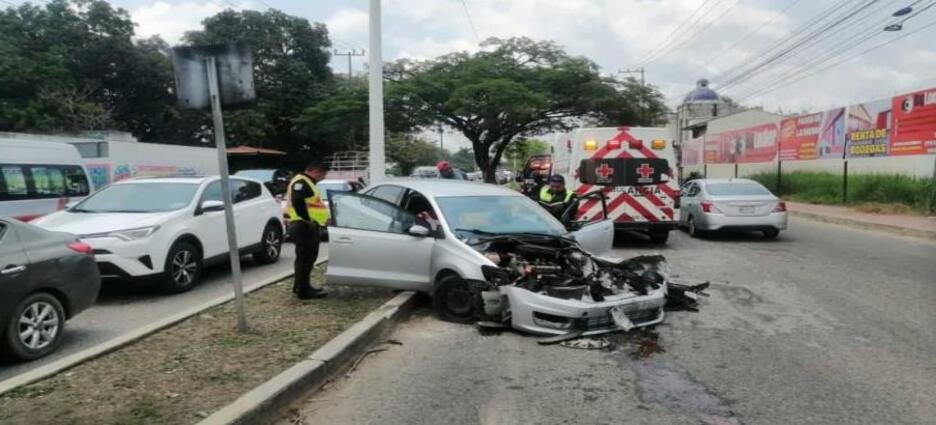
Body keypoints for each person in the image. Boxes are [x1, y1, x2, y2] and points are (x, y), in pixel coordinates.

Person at [285, 161, 330, 299]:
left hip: (304, 225)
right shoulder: (302, 182)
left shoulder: (305, 182)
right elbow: (298, 200)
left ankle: (300, 286)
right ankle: (304, 290)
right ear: (316, 171)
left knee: (304, 258)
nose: (323, 178)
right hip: (304, 226)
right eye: (323, 175)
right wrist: (307, 219)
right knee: (306, 259)